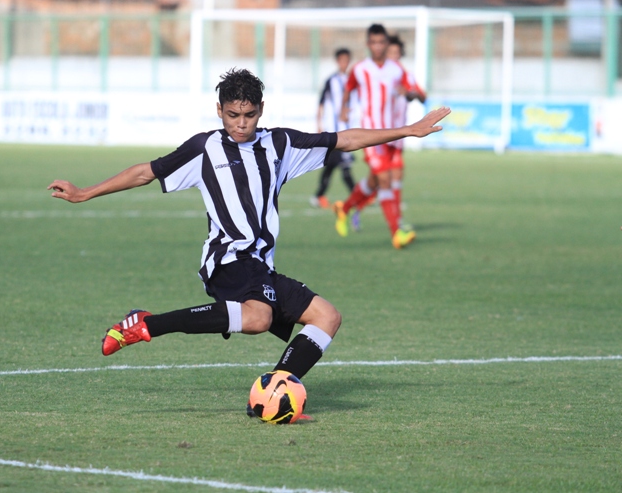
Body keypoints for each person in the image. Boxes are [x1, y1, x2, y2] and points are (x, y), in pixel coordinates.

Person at [48, 69, 449, 416]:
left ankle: (274, 391)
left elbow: (344, 139)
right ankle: (147, 324)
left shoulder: (280, 145)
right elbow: (145, 173)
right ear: (219, 111)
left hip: (260, 266)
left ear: (261, 110)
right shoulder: (204, 148)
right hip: (226, 259)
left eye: (250, 115)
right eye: (233, 115)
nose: (241, 124)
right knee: (258, 319)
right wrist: (85, 193)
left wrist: (408, 130)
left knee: (327, 318)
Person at [335, 24, 420, 249]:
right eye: (374, 42)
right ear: (368, 44)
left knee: (375, 180)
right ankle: (396, 232)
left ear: (386, 43)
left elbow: (411, 92)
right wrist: (344, 108)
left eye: (382, 42)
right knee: (385, 179)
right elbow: (349, 88)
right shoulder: (360, 69)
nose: (378, 46)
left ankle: (344, 208)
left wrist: (410, 94)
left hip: (391, 134)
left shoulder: (397, 69)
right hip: (370, 134)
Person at [385, 34, 426, 228]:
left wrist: (411, 94)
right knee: (379, 178)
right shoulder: (379, 74)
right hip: (380, 132)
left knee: (396, 175)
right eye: (390, 52)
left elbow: (421, 96)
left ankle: (397, 220)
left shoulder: (405, 75)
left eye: (396, 52)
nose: (393, 56)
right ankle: (351, 208)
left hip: (399, 133)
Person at [310, 48, 356, 209]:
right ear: (337, 61)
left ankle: (319, 196)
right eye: (342, 60)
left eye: (347, 60)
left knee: (334, 164)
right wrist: (319, 124)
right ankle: (357, 196)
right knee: (342, 164)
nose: (344, 63)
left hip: (346, 129)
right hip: (333, 131)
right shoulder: (331, 81)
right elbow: (321, 103)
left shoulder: (351, 81)